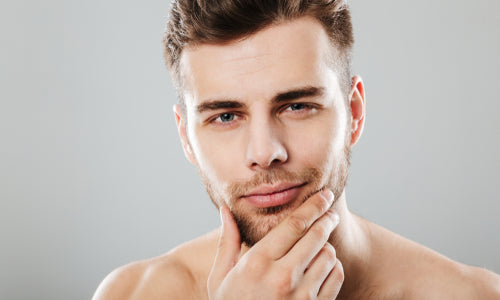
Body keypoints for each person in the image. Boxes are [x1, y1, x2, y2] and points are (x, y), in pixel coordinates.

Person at [93, 0, 500, 299]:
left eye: (297, 106)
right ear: (186, 138)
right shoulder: (132, 294)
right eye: (225, 116)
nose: (265, 151)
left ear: (354, 113)